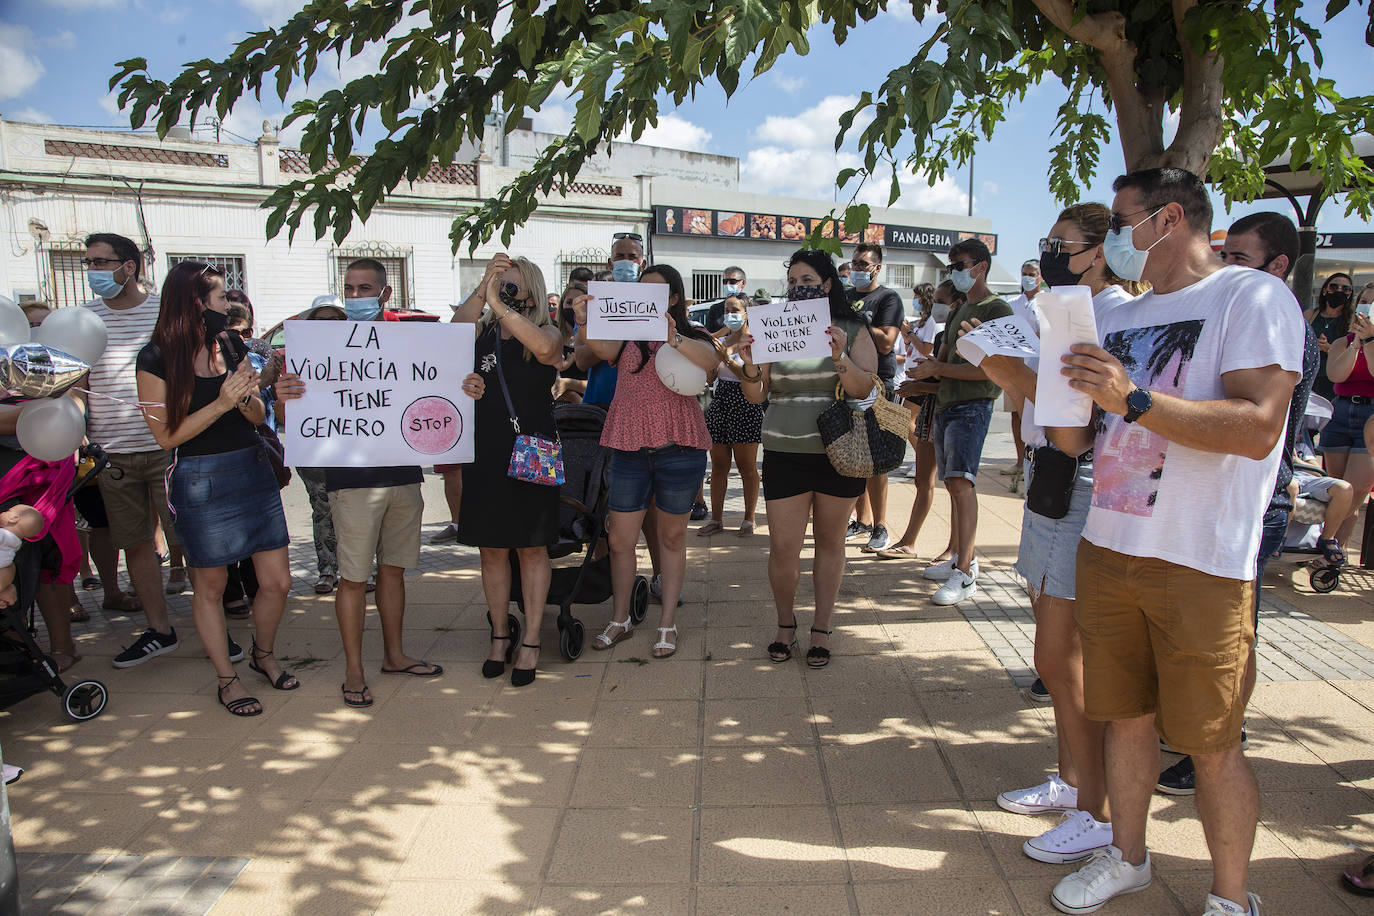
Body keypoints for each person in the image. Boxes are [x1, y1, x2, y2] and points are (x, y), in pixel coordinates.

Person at [1043, 168, 1300, 916]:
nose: (1115, 238)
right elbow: (1076, 439)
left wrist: (1133, 397)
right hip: (1109, 546)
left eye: (1124, 221)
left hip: (1201, 560)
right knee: (1125, 719)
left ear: (1170, 218)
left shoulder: (1251, 297)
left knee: (1212, 742)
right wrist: (1047, 378)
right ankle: (1127, 858)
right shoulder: (1119, 312)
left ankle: (1231, 897)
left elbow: (1258, 428)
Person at [973, 204, 1134, 867]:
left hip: (1081, 481)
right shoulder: (1064, 310)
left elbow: (1081, 420)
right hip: (1051, 477)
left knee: (1061, 658)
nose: (1049, 254)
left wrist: (1014, 375)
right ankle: (1072, 783)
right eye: (1048, 242)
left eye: (1062, 244)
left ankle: (1096, 810)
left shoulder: (1115, 316)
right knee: (1053, 647)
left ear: (1100, 251)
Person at [1157, 210, 1317, 795]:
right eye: (1224, 255)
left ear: (1279, 265)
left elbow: (1252, 422)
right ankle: (1198, 734)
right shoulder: (1235, 306)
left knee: (1230, 636)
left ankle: (1222, 739)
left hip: (1254, 499)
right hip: (1209, 494)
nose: (1226, 268)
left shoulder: (1276, 320)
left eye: (1240, 258)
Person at [135, 261, 306, 716]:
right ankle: (227, 680)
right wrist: (222, 402)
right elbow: (166, 437)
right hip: (200, 479)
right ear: (193, 304)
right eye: (218, 299)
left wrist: (248, 399)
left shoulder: (230, 344)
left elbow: (256, 416)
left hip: (252, 468)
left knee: (278, 582)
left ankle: (263, 655)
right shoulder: (154, 358)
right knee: (211, 587)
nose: (227, 306)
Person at [317, 258, 476, 707]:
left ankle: (394, 655)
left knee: (393, 571)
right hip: (350, 480)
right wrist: (289, 390)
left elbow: (443, 376)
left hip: (404, 476)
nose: (355, 296)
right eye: (349, 288)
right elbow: (302, 403)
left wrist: (466, 388)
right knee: (353, 578)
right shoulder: (326, 343)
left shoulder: (408, 339)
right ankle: (353, 671)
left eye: (364, 288)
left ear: (385, 293)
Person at [80, 233, 215, 668]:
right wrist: (79, 432)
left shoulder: (163, 312)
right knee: (135, 542)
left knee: (189, 540)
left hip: (168, 447)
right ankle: (159, 629)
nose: (93, 270)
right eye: (88, 262)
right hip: (112, 453)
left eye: (101, 262)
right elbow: (79, 384)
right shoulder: (83, 319)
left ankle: (213, 632)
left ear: (130, 266)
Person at [737, 249, 878, 667]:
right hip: (784, 451)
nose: (799, 288)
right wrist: (749, 366)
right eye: (793, 281)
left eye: (808, 281)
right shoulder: (773, 325)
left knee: (831, 543)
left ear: (828, 284)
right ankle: (785, 625)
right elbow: (757, 395)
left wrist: (839, 357)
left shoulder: (852, 328)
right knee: (783, 548)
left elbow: (865, 390)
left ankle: (821, 627)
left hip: (841, 452)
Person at [573, 263, 716, 659]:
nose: (646, 296)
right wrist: (583, 320)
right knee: (620, 539)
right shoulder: (627, 334)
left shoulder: (693, 333)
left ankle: (667, 623)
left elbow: (709, 361)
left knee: (671, 538)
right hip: (629, 447)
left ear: (674, 297)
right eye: (642, 288)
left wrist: (674, 338)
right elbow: (601, 350)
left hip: (680, 448)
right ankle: (620, 620)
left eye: (657, 290)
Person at [453, 253, 562, 686]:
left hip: (533, 449)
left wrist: (500, 305)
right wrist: (484, 289)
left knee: (532, 547)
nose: (504, 290)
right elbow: (451, 337)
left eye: (512, 284)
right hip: (486, 449)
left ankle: (531, 639)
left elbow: (546, 350)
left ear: (532, 291)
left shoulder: (548, 330)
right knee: (492, 548)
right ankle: (500, 635)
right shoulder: (481, 331)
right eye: (500, 283)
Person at [906, 239, 1012, 606]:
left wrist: (937, 369)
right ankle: (959, 558)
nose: (953, 271)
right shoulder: (958, 309)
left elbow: (991, 370)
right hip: (947, 404)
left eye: (960, 264)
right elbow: (944, 362)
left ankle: (965, 571)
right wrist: (924, 377)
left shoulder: (997, 309)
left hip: (973, 406)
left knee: (961, 483)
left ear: (981, 266)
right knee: (953, 484)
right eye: (951, 265)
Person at [883, 281, 960, 560]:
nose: (934, 304)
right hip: (930, 407)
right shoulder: (943, 334)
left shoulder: (960, 334)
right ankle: (909, 541)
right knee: (923, 480)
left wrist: (922, 383)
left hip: (951, 413)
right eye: (934, 299)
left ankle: (956, 548)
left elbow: (959, 382)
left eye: (941, 300)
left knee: (956, 485)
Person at [843, 244, 904, 553]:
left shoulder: (888, 299)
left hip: (880, 385)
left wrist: (859, 320)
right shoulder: (844, 297)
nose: (857, 268)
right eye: (854, 262)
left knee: (877, 460)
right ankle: (861, 520)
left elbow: (886, 343)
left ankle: (880, 526)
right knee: (855, 458)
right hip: (847, 383)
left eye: (863, 264)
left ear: (877, 268)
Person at [288, 300, 345, 593]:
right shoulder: (298, 358)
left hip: (354, 447)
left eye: (336, 320)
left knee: (355, 511)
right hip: (314, 448)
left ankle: (360, 569)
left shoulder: (363, 356)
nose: (328, 326)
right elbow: (285, 409)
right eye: (321, 320)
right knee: (323, 509)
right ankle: (327, 569)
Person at [699, 296, 763, 537]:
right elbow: (711, 378)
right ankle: (716, 519)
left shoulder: (754, 341)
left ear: (747, 313)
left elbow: (750, 376)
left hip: (746, 403)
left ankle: (749, 519)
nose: (729, 314)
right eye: (726, 309)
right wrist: (713, 362)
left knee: (747, 467)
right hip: (720, 403)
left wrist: (727, 357)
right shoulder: (722, 341)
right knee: (718, 467)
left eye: (735, 309)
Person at [1319, 298, 1374, 552]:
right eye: (1364, 302)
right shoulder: (1344, 342)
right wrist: (1356, 343)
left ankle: (1327, 540)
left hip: (1371, 417)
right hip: (1341, 412)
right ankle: (1334, 553)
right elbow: (1336, 375)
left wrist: (1370, 341)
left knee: (1357, 489)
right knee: (1340, 487)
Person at [1002, 260, 1044, 488]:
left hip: (1037, 369)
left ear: (1040, 277)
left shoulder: (1046, 303)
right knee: (1016, 415)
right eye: (1024, 273)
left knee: (1035, 416)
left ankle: (1036, 459)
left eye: (1031, 273)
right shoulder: (1013, 304)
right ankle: (1020, 461)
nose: (1027, 277)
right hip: (1015, 367)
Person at [1309, 272, 1355, 401]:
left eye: (1345, 289)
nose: (1339, 291)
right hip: (1310, 376)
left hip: (1334, 380)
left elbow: (1355, 352)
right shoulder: (1311, 315)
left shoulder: (1352, 320)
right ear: (1325, 290)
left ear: (1350, 294)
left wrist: (1330, 348)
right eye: (1334, 287)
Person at [0, 505, 43, 604]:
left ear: (13, 518)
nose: (3, 513)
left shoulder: (4, 535)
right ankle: (5, 591)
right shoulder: (16, 543)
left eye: (7, 511)